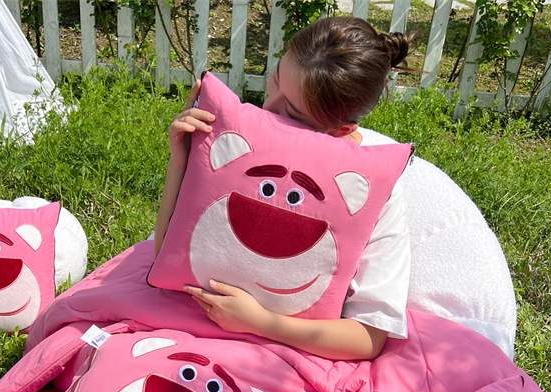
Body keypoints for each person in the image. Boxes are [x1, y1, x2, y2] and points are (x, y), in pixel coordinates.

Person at [153, 16, 413, 361]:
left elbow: (368, 337)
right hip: (191, 322)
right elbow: (164, 254)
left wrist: (262, 323)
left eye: (291, 113)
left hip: (284, 353)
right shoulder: (241, 143)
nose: (267, 107)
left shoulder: (372, 189)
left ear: (341, 131)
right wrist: (181, 162)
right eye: (274, 80)